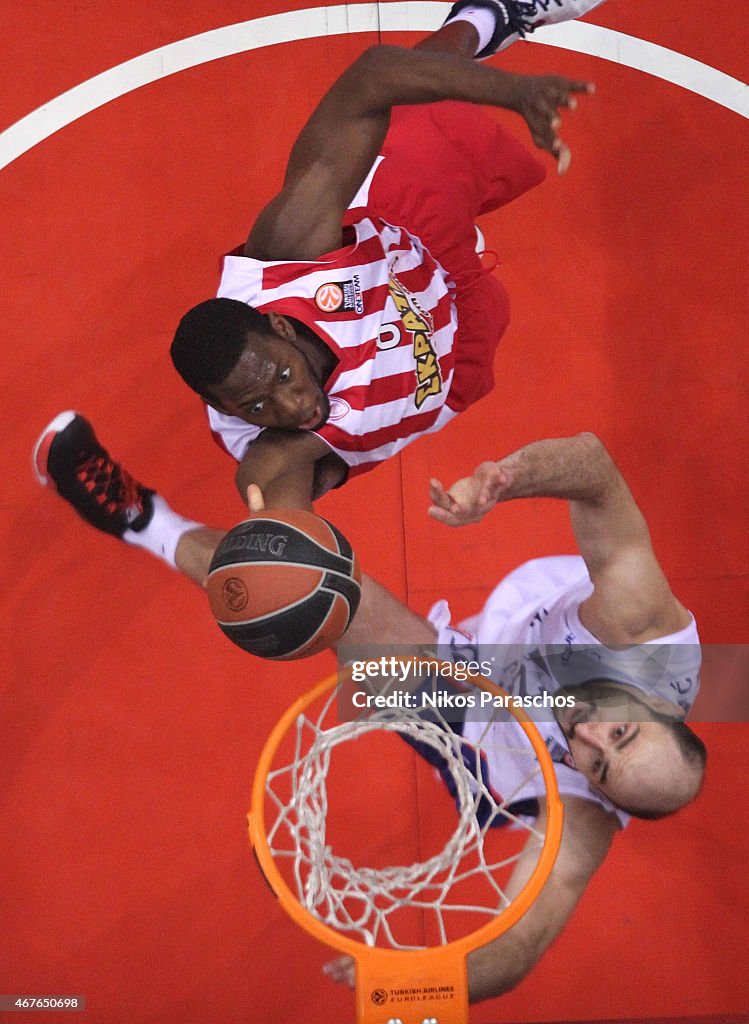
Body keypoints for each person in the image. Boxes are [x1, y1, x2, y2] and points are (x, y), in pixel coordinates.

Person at [34, 0, 607, 582]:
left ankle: (489, 18)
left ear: (279, 325)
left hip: (404, 245)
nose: (292, 410)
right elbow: (282, 524)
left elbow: (371, 76)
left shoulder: (288, 255)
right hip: (441, 355)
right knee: (282, 569)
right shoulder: (276, 450)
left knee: (409, 117)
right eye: (255, 409)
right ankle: (145, 522)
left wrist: (510, 92)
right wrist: (283, 560)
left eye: (281, 378)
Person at [325, 430, 705, 1002]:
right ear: (654, 702)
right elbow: (597, 469)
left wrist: (417, 986)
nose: (589, 735)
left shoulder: (586, 816)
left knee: (320, 606)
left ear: (601, 794)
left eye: (598, 765)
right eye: (622, 732)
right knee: (321, 598)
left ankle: (152, 527)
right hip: (509, 642)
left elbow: (519, 945)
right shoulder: (640, 628)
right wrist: (499, 478)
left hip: (483, 752)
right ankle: (149, 521)